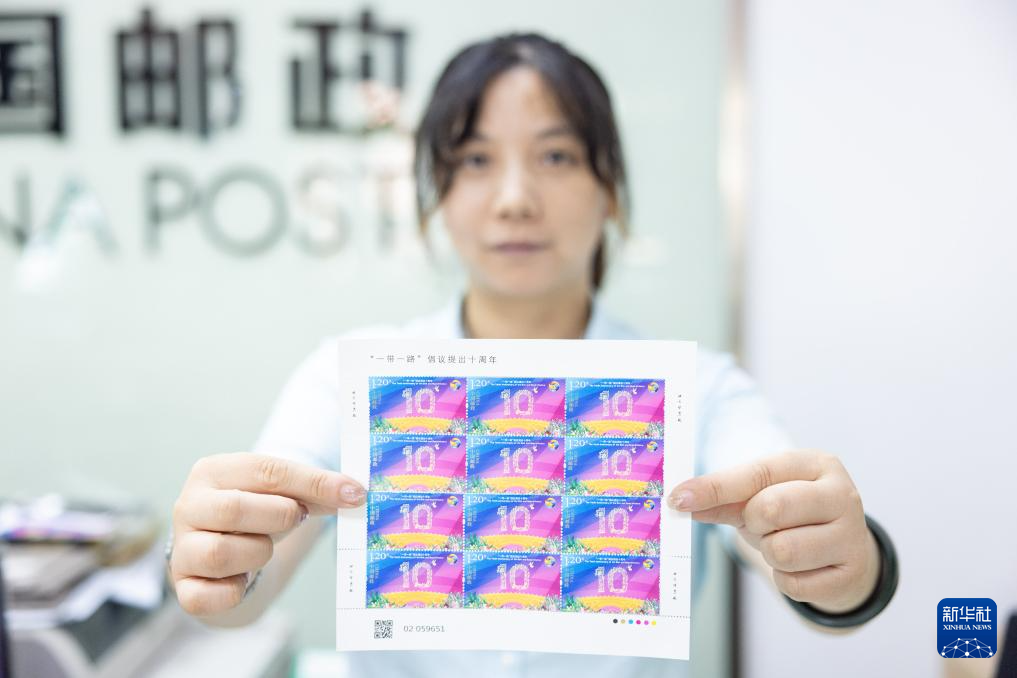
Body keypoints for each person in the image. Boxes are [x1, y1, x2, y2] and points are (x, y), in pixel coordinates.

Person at [167, 32, 896, 677]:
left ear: (610, 190)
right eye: (475, 159)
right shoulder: (346, 379)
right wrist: (218, 563)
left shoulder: (701, 393)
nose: (514, 198)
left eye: (555, 155)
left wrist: (844, 563)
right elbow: (248, 588)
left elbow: (808, 572)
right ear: (436, 194)